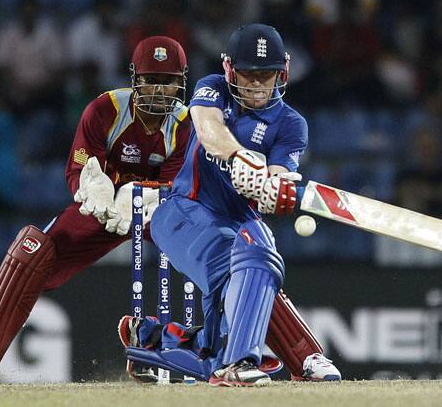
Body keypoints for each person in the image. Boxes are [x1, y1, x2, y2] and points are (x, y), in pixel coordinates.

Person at [0, 35, 192, 384]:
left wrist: (142, 197)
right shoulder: (105, 110)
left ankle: (284, 354)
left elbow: (175, 186)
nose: (158, 91)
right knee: (31, 252)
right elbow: (79, 170)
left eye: (168, 82)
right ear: (135, 78)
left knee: (226, 249)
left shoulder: (187, 124)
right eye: (151, 80)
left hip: (153, 211)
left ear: (181, 82)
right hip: (102, 210)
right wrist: (93, 191)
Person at [118, 24, 341, 387]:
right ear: (229, 70)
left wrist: (274, 188)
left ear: (281, 73)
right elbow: (208, 130)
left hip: (236, 229)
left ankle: (153, 338)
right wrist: (240, 158)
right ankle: (267, 360)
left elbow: (279, 174)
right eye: (247, 74)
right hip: (182, 214)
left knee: (220, 332)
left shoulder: (291, 125)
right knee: (256, 248)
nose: (255, 85)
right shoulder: (213, 89)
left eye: (265, 76)